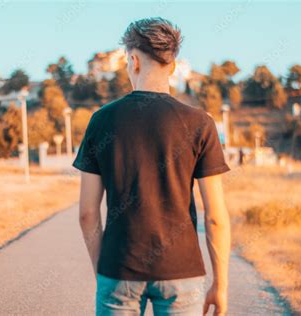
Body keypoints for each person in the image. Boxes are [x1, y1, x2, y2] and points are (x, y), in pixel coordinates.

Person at [73, 17, 231, 316]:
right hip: (182, 272)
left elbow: (87, 213)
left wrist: (104, 275)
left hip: (118, 268)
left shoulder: (102, 121)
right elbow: (215, 218)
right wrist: (220, 286)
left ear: (132, 60)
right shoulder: (201, 124)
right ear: (172, 65)